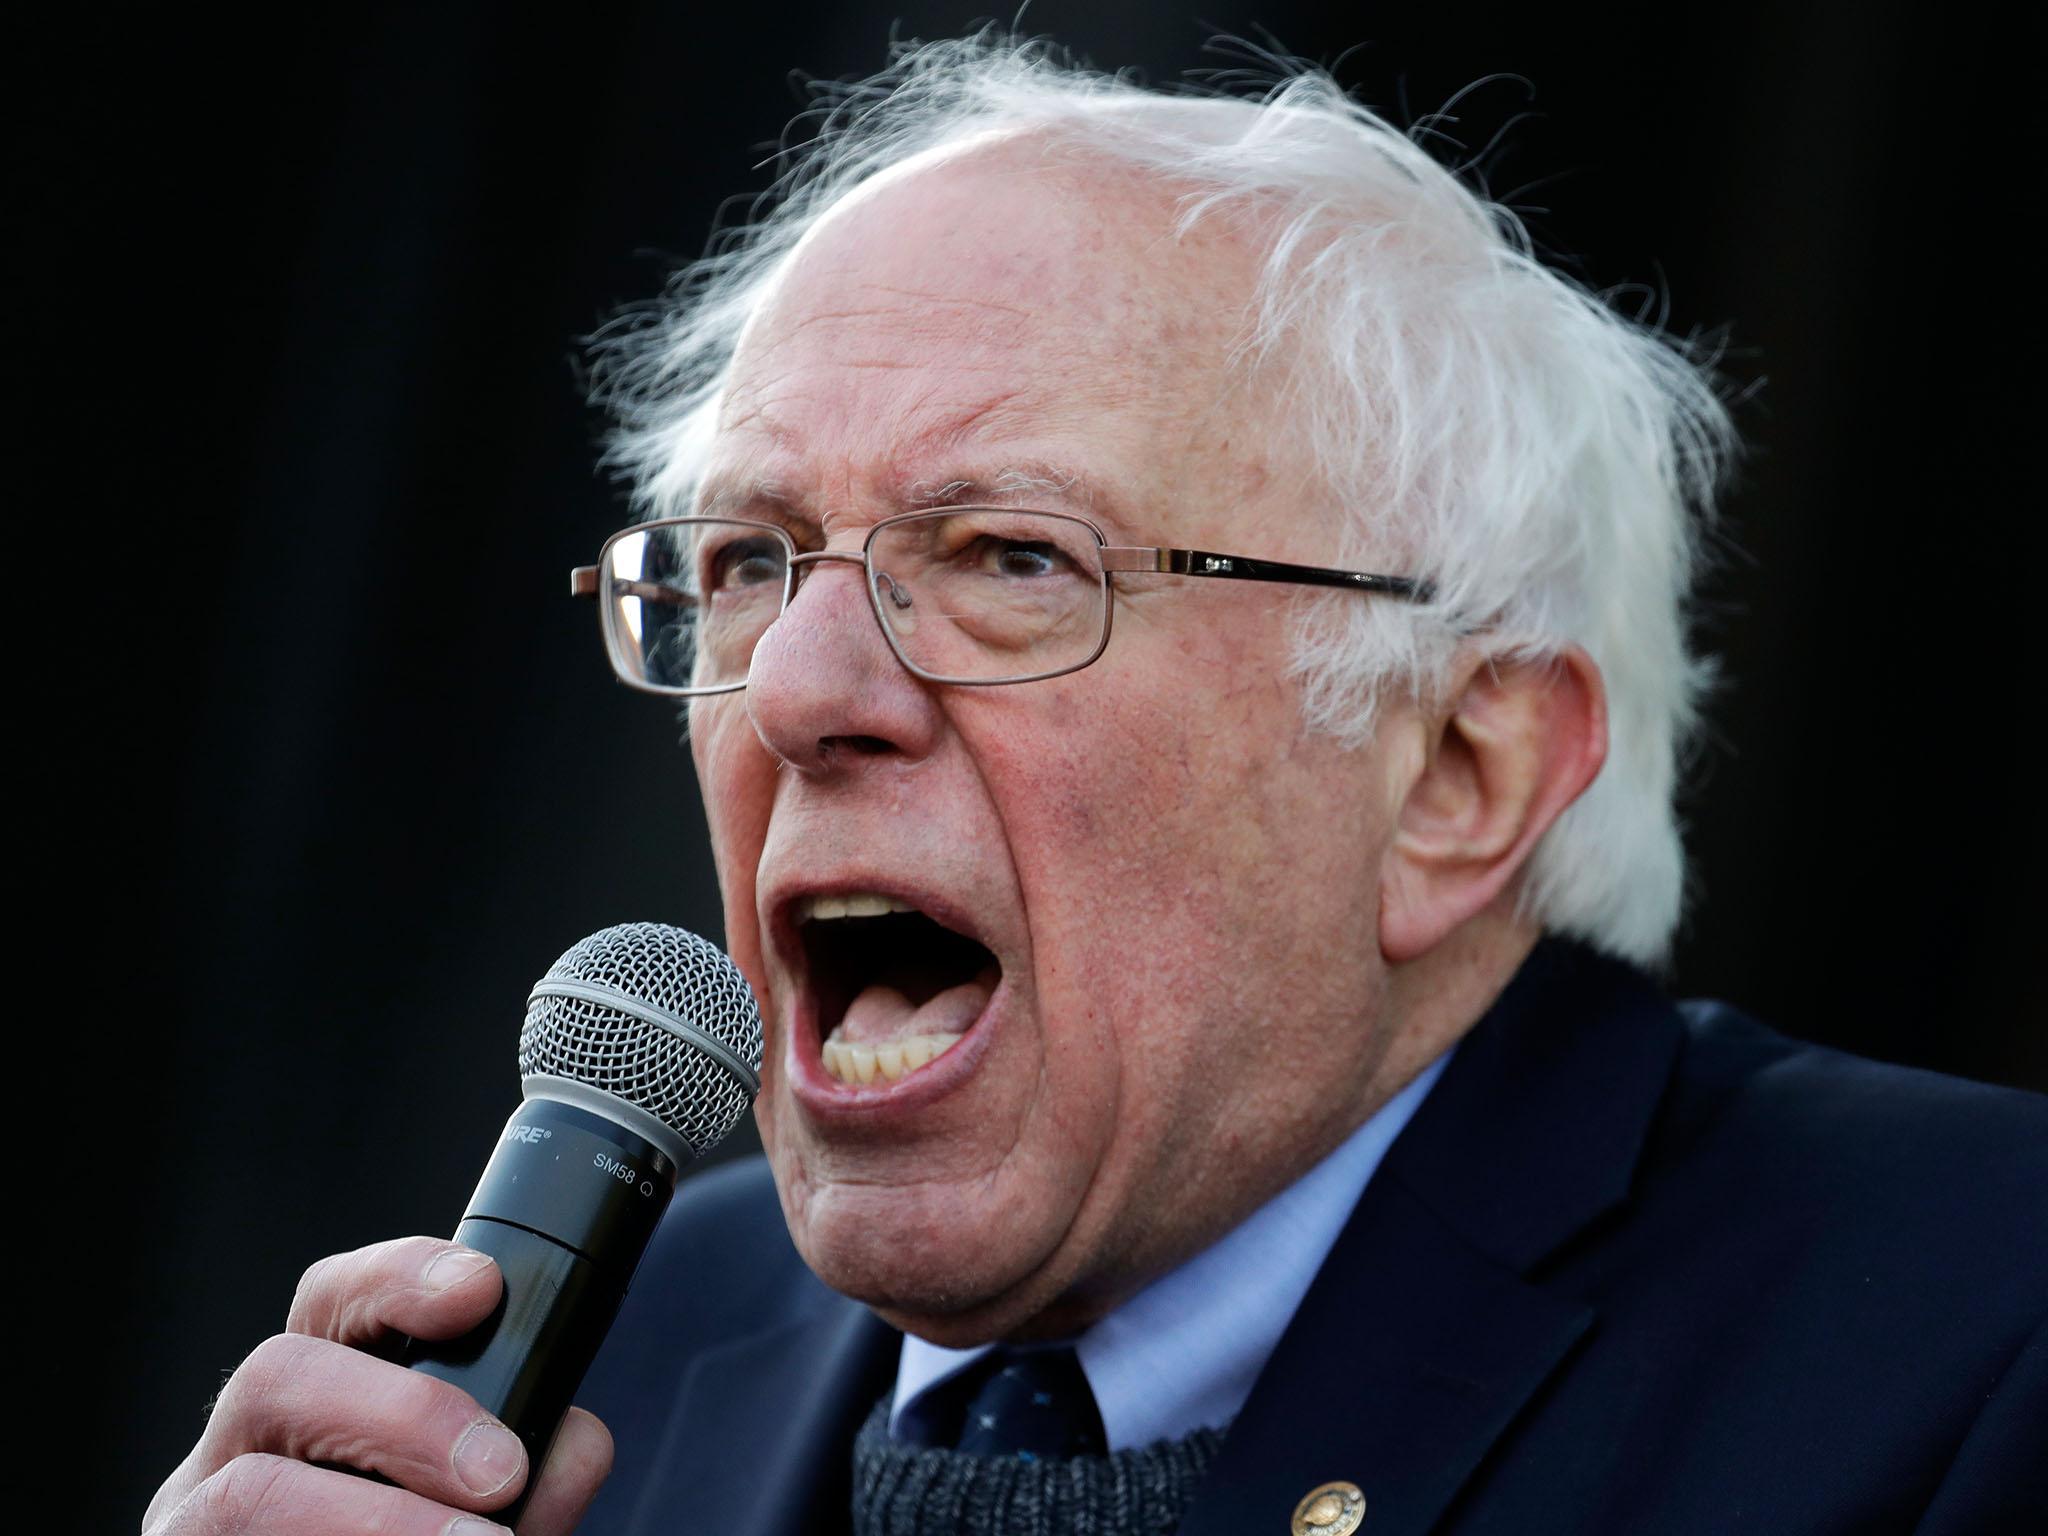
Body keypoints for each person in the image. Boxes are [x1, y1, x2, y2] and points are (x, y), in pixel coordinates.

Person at [144, 36, 2046, 1536]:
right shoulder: (604, 1360)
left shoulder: (1978, 1335)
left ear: (1458, 774)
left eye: (1010, 557)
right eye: (745, 560)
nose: (799, 688)